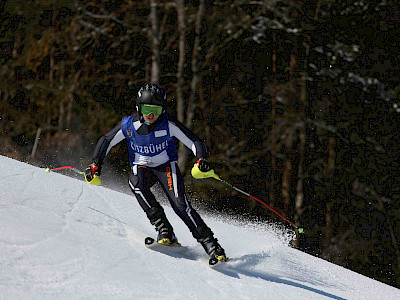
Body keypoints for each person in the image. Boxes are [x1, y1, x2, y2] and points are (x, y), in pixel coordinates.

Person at [85, 83, 227, 262]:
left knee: (180, 205)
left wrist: (201, 159)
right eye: (146, 109)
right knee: (135, 184)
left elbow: (194, 141)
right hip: (142, 166)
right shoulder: (129, 125)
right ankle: (164, 230)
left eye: (156, 110)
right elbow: (106, 141)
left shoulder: (167, 124)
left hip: (166, 167)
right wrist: (95, 165)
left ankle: (211, 244)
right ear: (138, 107)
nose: (151, 115)